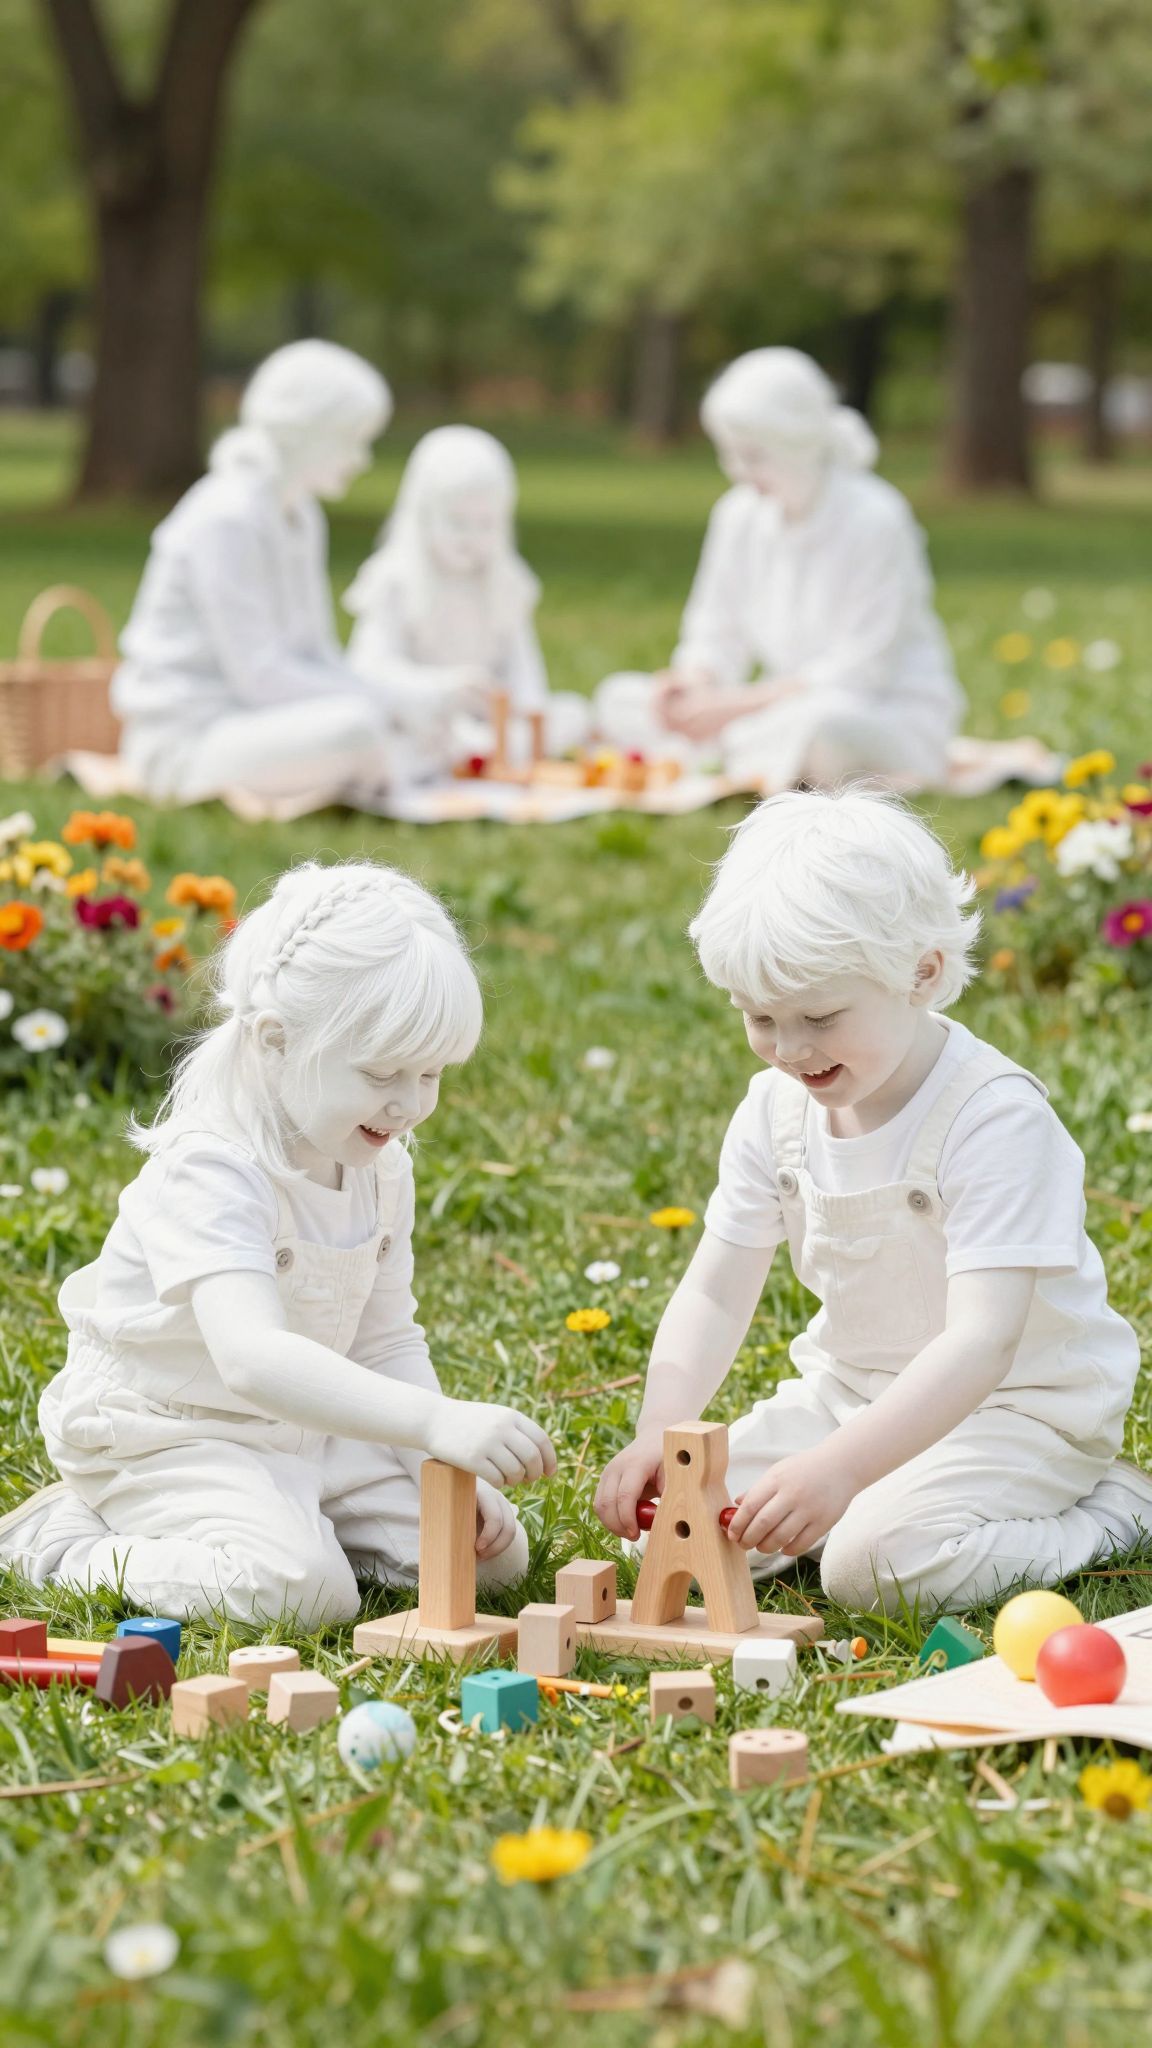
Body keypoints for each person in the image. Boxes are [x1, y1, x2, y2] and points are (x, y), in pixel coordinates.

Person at [594, 789, 1152, 1614]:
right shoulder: (775, 1111)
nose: (790, 1049)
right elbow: (715, 1289)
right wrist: (662, 1430)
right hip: (850, 1394)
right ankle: (863, 1499)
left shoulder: (993, 1118)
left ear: (922, 973)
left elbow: (983, 1342)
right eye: (760, 1018)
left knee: (871, 1567)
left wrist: (844, 1470)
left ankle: (1111, 1513)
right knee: (674, 1530)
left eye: (820, 1015)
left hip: (1016, 1410)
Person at [0, 861, 556, 1625]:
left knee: (487, 1560)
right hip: (171, 1433)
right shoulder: (212, 1168)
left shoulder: (380, 1169)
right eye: (383, 1072)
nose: (411, 1104)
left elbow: (387, 1341)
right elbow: (251, 1358)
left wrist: (440, 1456)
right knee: (303, 1593)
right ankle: (64, 1543)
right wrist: (431, 1423)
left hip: (304, 1428)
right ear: (275, 1040)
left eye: (431, 1074)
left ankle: (288, 1515)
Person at [595, 348, 966, 791]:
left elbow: (860, 671)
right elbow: (715, 630)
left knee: (826, 730)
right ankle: (752, 753)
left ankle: (756, 755)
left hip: (874, 710)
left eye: (752, 456)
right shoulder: (737, 515)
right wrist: (692, 684)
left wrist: (733, 707)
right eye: (728, 454)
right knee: (620, 698)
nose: (737, 472)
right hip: (771, 708)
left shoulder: (876, 518)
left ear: (800, 442)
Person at [112, 341, 405, 809]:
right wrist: (387, 704)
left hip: (259, 721)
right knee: (359, 726)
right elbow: (260, 675)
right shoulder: (226, 517)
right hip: (189, 739)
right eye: (353, 440)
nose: (361, 459)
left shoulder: (301, 516)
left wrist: (393, 699)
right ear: (307, 430)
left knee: (377, 722)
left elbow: (316, 653)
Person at [344, 425, 589, 769]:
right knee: (389, 732)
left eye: (486, 524)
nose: (471, 538)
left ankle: (493, 751)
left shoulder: (506, 584)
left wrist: (529, 713)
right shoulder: (394, 581)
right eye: (457, 522)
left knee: (571, 713)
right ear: (424, 515)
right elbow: (366, 669)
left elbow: (524, 667)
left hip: (492, 725)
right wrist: (442, 688)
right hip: (423, 719)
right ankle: (468, 752)